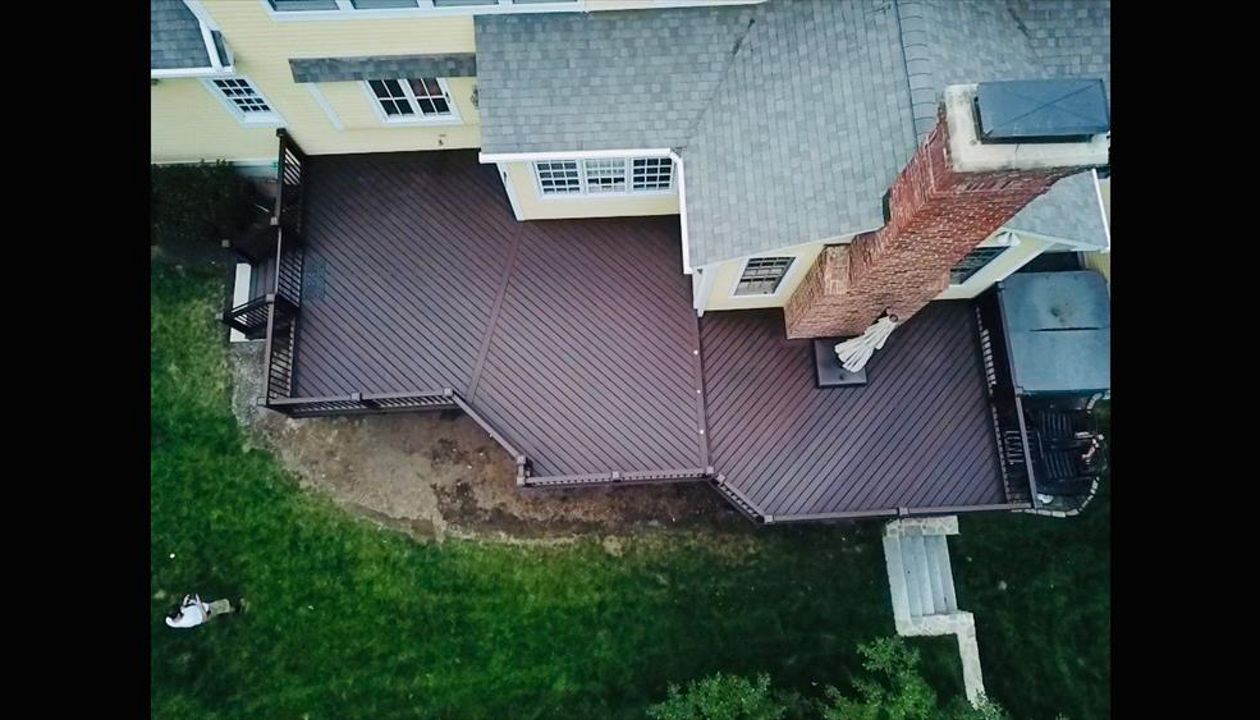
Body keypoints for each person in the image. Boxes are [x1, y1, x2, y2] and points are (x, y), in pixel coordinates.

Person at [165, 593, 238, 629]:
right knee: (222, 608)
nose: (181, 610)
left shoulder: (169, 620)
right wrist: (198, 603)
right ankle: (237, 609)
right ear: (178, 615)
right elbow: (204, 618)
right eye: (179, 612)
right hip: (207, 612)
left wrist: (185, 603)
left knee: (221, 603)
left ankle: (232, 605)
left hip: (201, 607)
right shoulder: (188, 621)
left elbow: (182, 609)